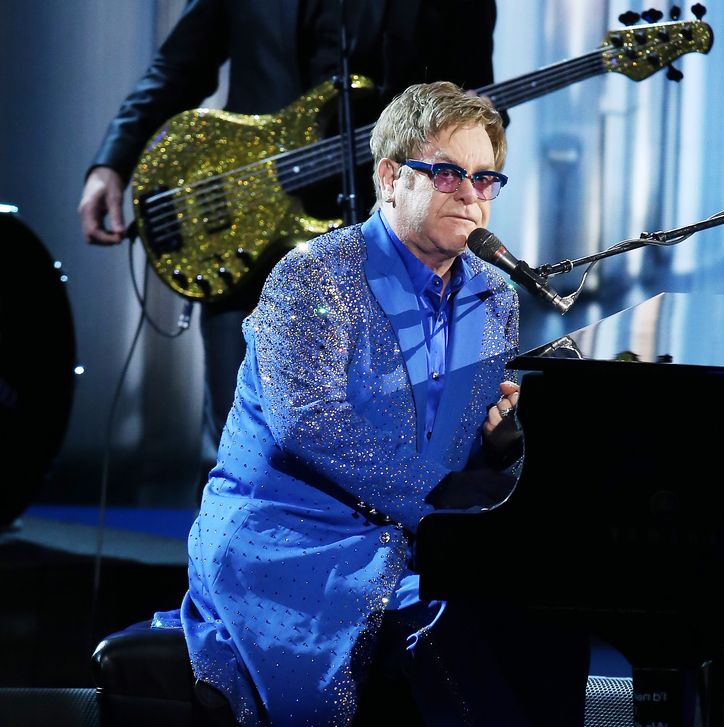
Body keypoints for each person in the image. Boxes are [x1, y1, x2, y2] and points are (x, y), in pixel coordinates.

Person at [159, 81, 590, 727]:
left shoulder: (494, 295)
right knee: (470, 624)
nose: (471, 193)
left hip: (416, 535)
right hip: (291, 538)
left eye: (486, 178)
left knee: (546, 616)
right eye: (448, 172)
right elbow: (310, 424)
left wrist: (505, 444)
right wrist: (451, 500)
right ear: (390, 178)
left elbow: (462, 439)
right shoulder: (311, 278)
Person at [77, 0, 502, 494]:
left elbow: (475, 109)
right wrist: (113, 160)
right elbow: (179, 66)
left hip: (382, 247)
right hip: (247, 235)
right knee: (245, 451)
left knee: (381, 445)